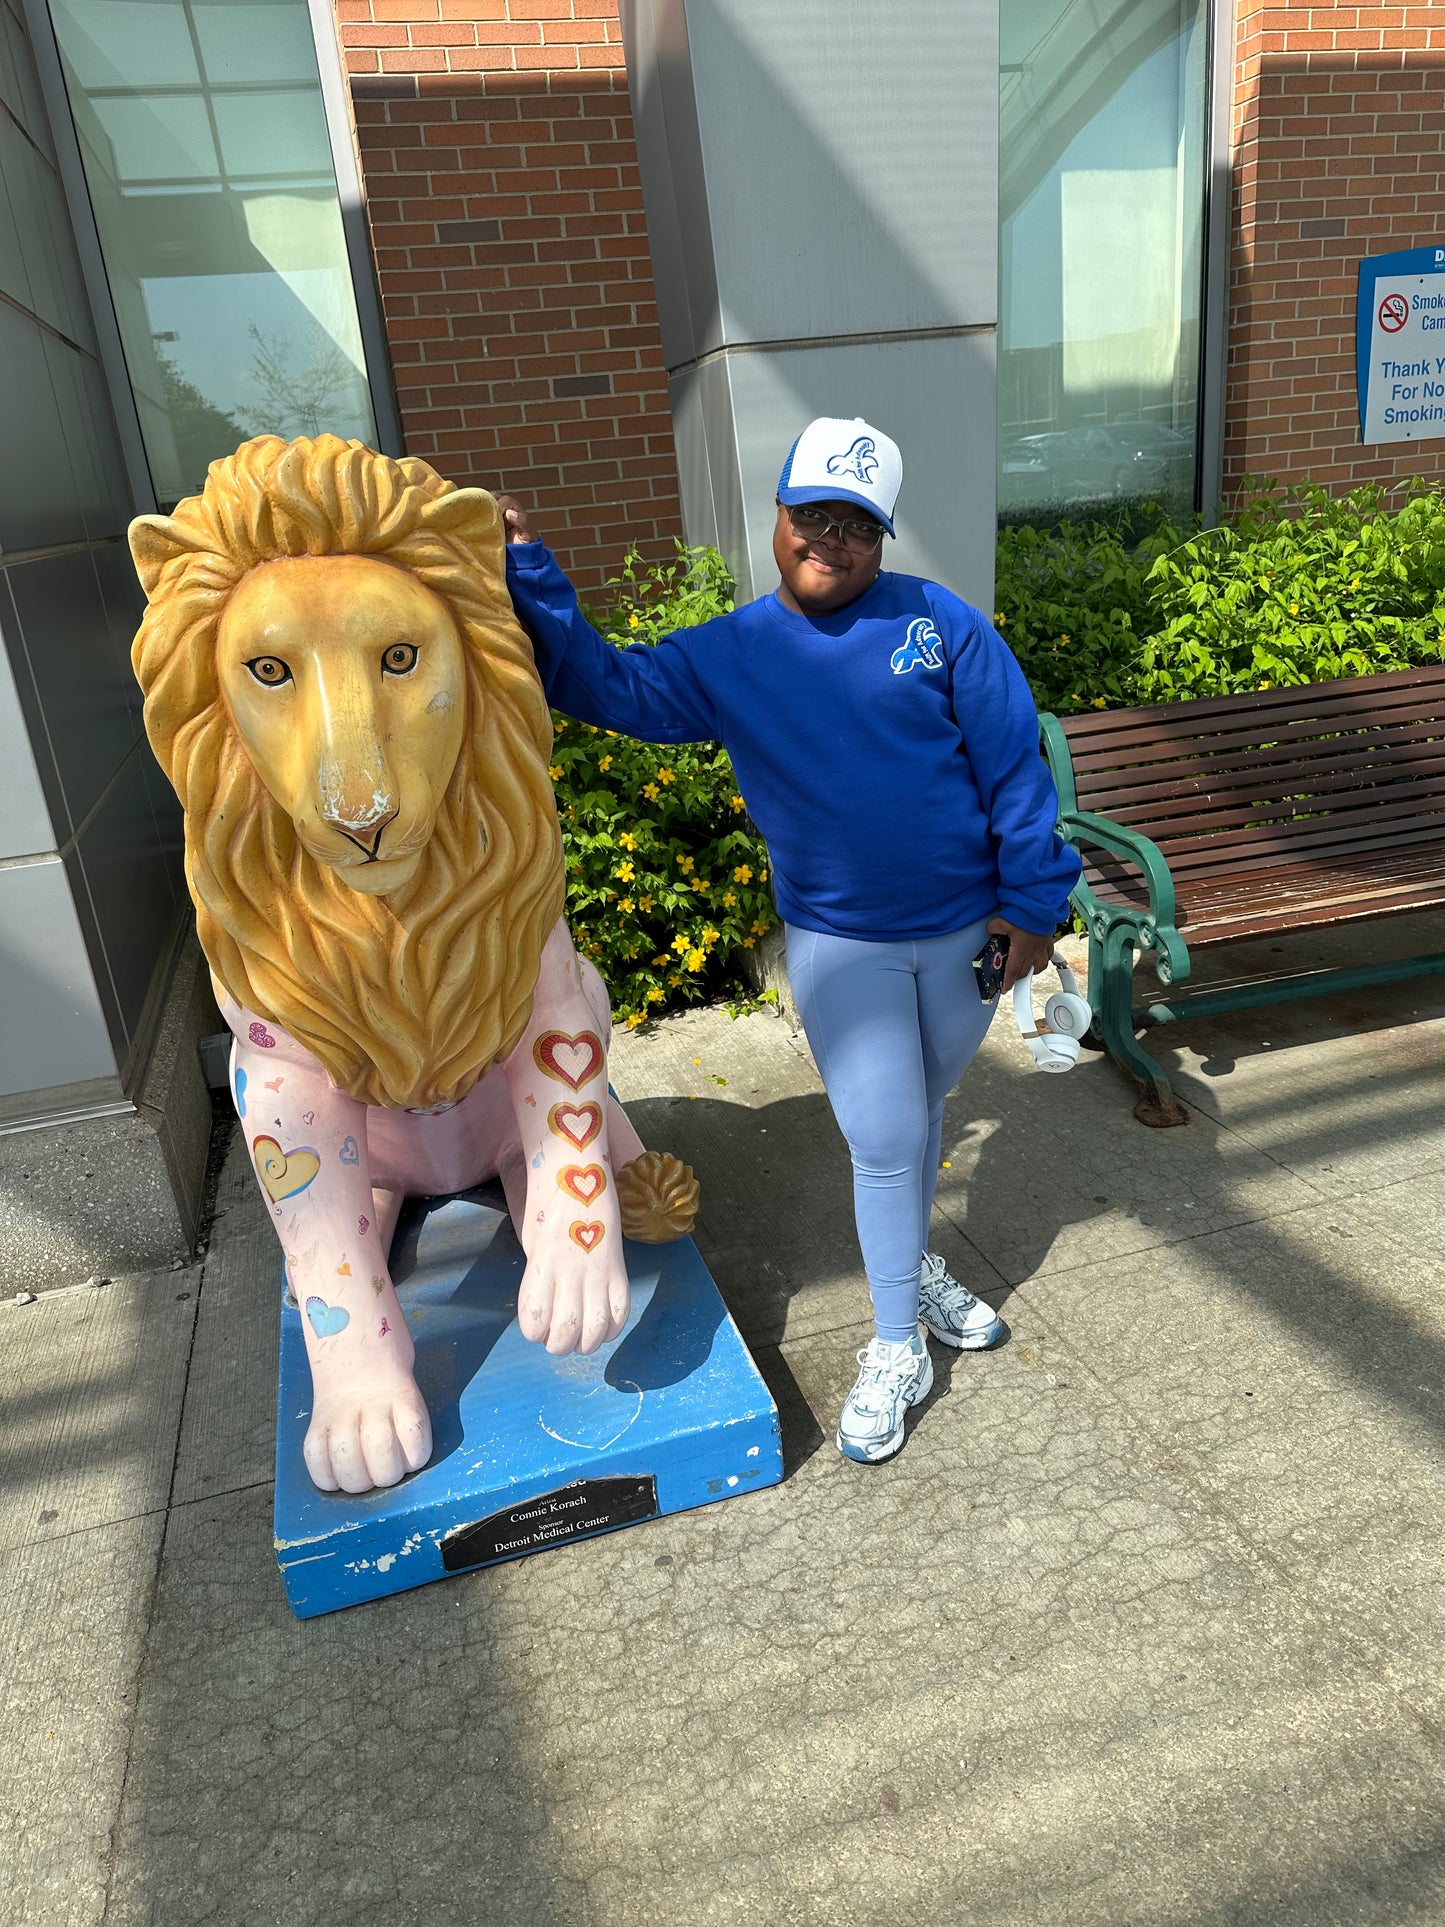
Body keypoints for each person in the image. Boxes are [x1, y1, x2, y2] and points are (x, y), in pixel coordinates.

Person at [498, 416, 1080, 1463]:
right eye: (811, 513)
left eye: (856, 523)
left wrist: (1032, 906)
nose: (830, 538)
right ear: (776, 515)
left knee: (924, 1107)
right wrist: (526, 570)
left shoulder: (941, 625)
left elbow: (1012, 769)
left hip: (966, 937)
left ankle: (911, 1266)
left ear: (881, 537)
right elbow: (600, 683)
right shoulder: (734, 652)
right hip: (840, 941)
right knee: (887, 1135)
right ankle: (897, 1341)